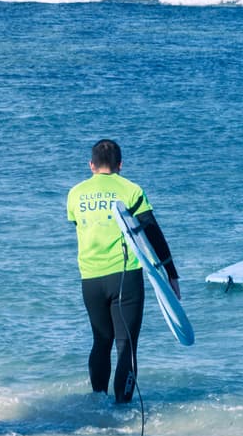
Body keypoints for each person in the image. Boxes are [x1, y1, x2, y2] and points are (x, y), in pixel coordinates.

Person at [67, 139, 178, 403]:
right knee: (126, 345)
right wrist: (171, 273)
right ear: (120, 164)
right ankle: (123, 409)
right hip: (125, 276)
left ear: (91, 165)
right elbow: (152, 232)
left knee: (100, 341)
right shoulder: (130, 190)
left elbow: (79, 226)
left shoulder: (75, 194)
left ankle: (97, 404)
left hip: (90, 279)